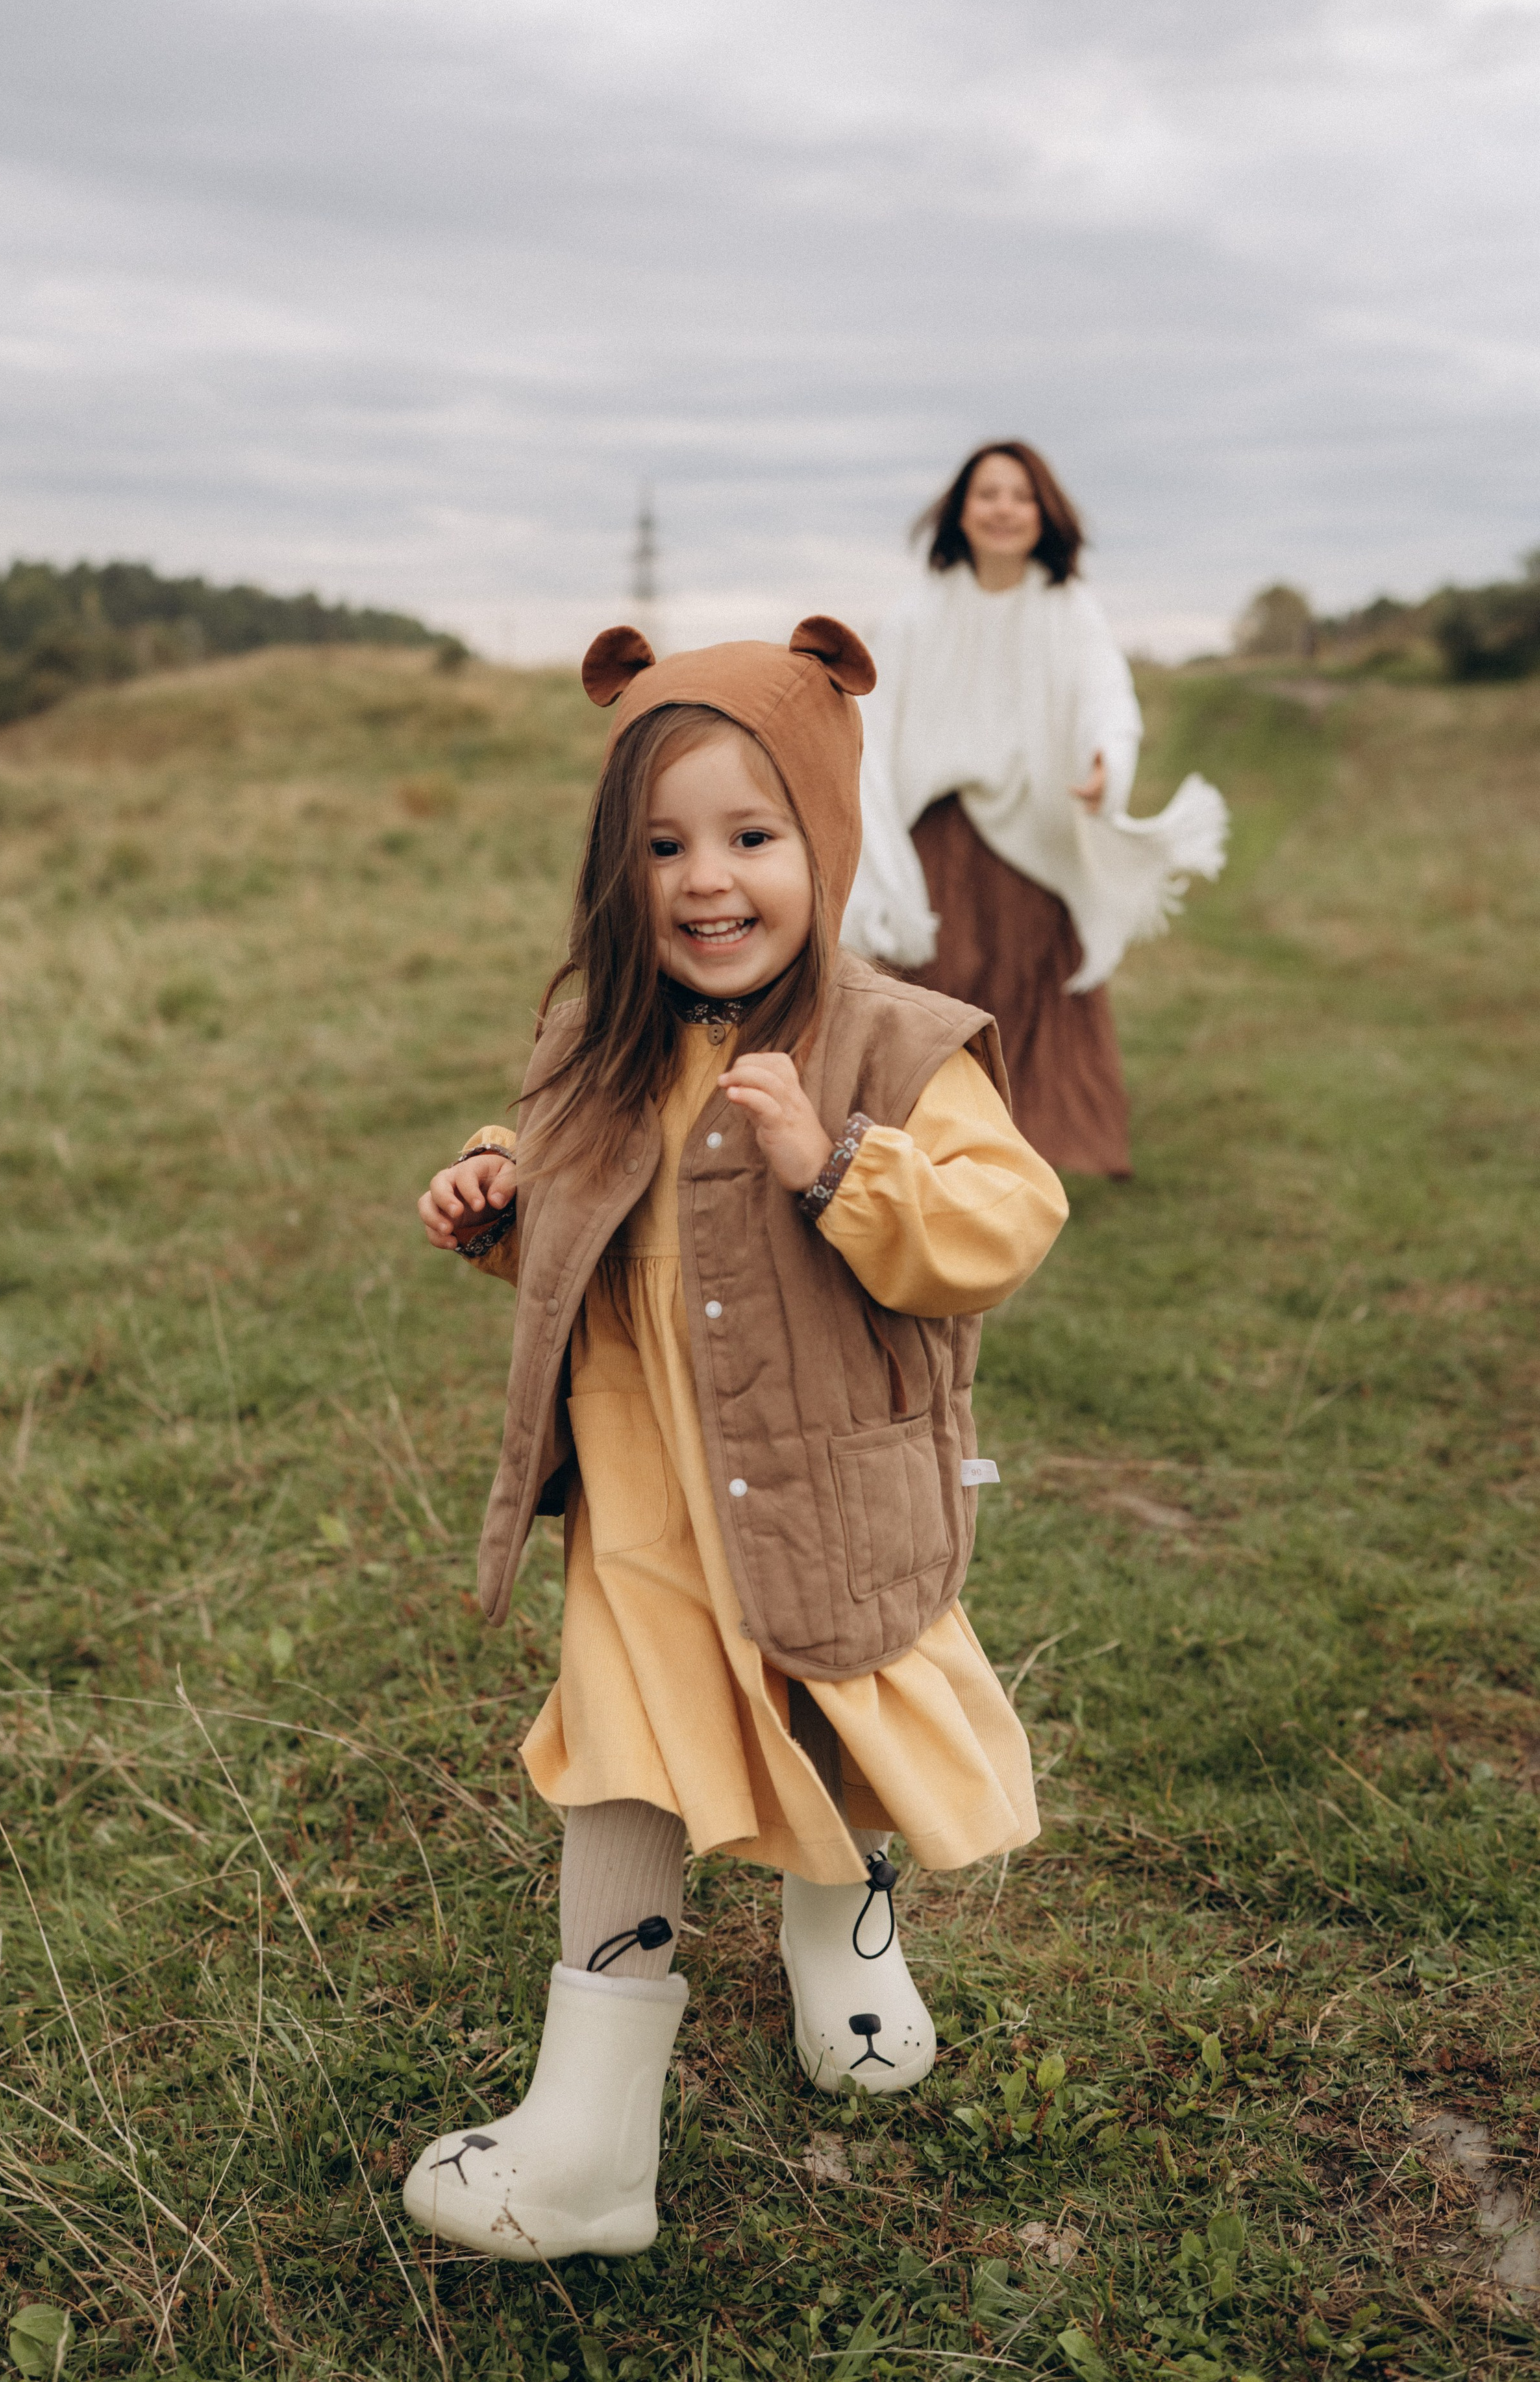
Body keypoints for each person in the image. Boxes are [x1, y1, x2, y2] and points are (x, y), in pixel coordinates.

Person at [402, 617, 1068, 2264]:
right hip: (642, 1513)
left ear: (819, 846)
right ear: (612, 869)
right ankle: (586, 2140)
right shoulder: (597, 1037)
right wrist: (493, 1188)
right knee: (619, 1766)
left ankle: (843, 1935)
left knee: (837, 1732)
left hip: (829, 1496)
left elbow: (1003, 1220)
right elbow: (553, 1171)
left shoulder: (899, 1045)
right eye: (661, 844)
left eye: (750, 837)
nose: (707, 880)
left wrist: (840, 1165)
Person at [842, 441, 1228, 1179]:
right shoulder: (920, 610)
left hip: (1034, 839)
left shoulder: (1067, 607)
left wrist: (1105, 764)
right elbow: (877, 718)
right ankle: (930, 1146)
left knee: (1038, 983)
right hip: (941, 840)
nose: (1002, 509)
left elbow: (1106, 698)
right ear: (961, 509)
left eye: (1018, 495)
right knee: (941, 991)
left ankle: (1051, 1143)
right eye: (987, 494)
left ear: (1042, 512)